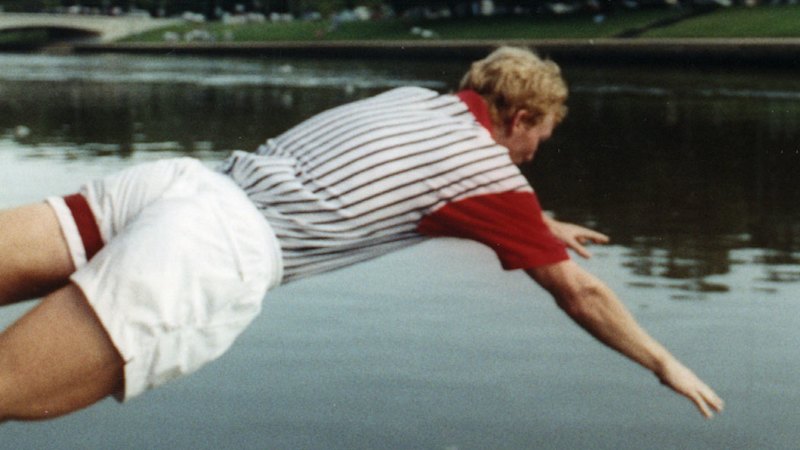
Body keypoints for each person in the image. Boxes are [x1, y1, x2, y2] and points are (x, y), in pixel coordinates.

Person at [0, 46, 723, 422]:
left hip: (183, 184)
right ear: (523, 118)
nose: (536, 156)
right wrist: (663, 363)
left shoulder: (411, 101)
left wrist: (537, 222)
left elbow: (401, 187)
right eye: (542, 139)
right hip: (216, 247)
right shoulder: (491, 176)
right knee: (11, 389)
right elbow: (582, 293)